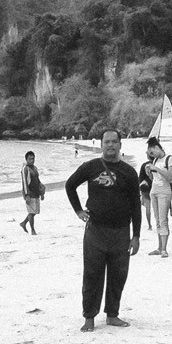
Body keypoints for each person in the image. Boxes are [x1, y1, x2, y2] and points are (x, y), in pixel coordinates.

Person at [65, 129, 141, 331]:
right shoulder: (90, 167)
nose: (110, 145)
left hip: (121, 232)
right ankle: (89, 317)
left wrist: (136, 235)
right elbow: (70, 185)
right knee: (92, 275)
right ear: (101, 145)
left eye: (114, 142)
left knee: (118, 276)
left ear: (120, 145)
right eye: (107, 142)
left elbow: (136, 205)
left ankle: (112, 315)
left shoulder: (129, 172)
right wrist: (78, 210)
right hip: (95, 231)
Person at [142, 138, 172, 257]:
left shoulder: (170, 159)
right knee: (157, 220)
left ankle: (164, 249)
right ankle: (159, 247)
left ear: (157, 148)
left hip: (164, 191)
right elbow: (154, 178)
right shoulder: (155, 160)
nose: (151, 155)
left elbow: (170, 177)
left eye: (152, 152)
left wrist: (156, 169)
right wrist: (149, 172)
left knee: (163, 220)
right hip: (154, 191)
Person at [19, 151, 44, 234]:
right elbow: (24, 182)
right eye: (30, 159)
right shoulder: (25, 169)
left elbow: (37, 179)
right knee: (31, 211)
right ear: (26, 159)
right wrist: (27, 195)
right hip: (29, 192)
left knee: (35, 211)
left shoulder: (34, 168)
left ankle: (23, 223)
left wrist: (42, 192)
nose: (32, 160)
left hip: (36, 191)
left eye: (33, 159)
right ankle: (32, 230)